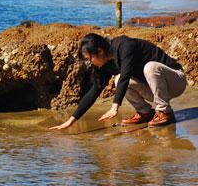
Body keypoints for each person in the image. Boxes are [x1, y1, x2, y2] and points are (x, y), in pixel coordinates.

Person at [49, 33, 186, 130]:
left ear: (100, 51)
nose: (90, 62)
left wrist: (115, 107)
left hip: (176, 81)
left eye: (90, 58)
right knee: (118, 79)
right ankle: (145, 113)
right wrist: (71, 120)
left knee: (149, 67)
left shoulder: (124, 46)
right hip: (156, 89)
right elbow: (94, 91)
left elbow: (126, 75)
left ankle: (164, 112)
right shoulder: (104, 64)